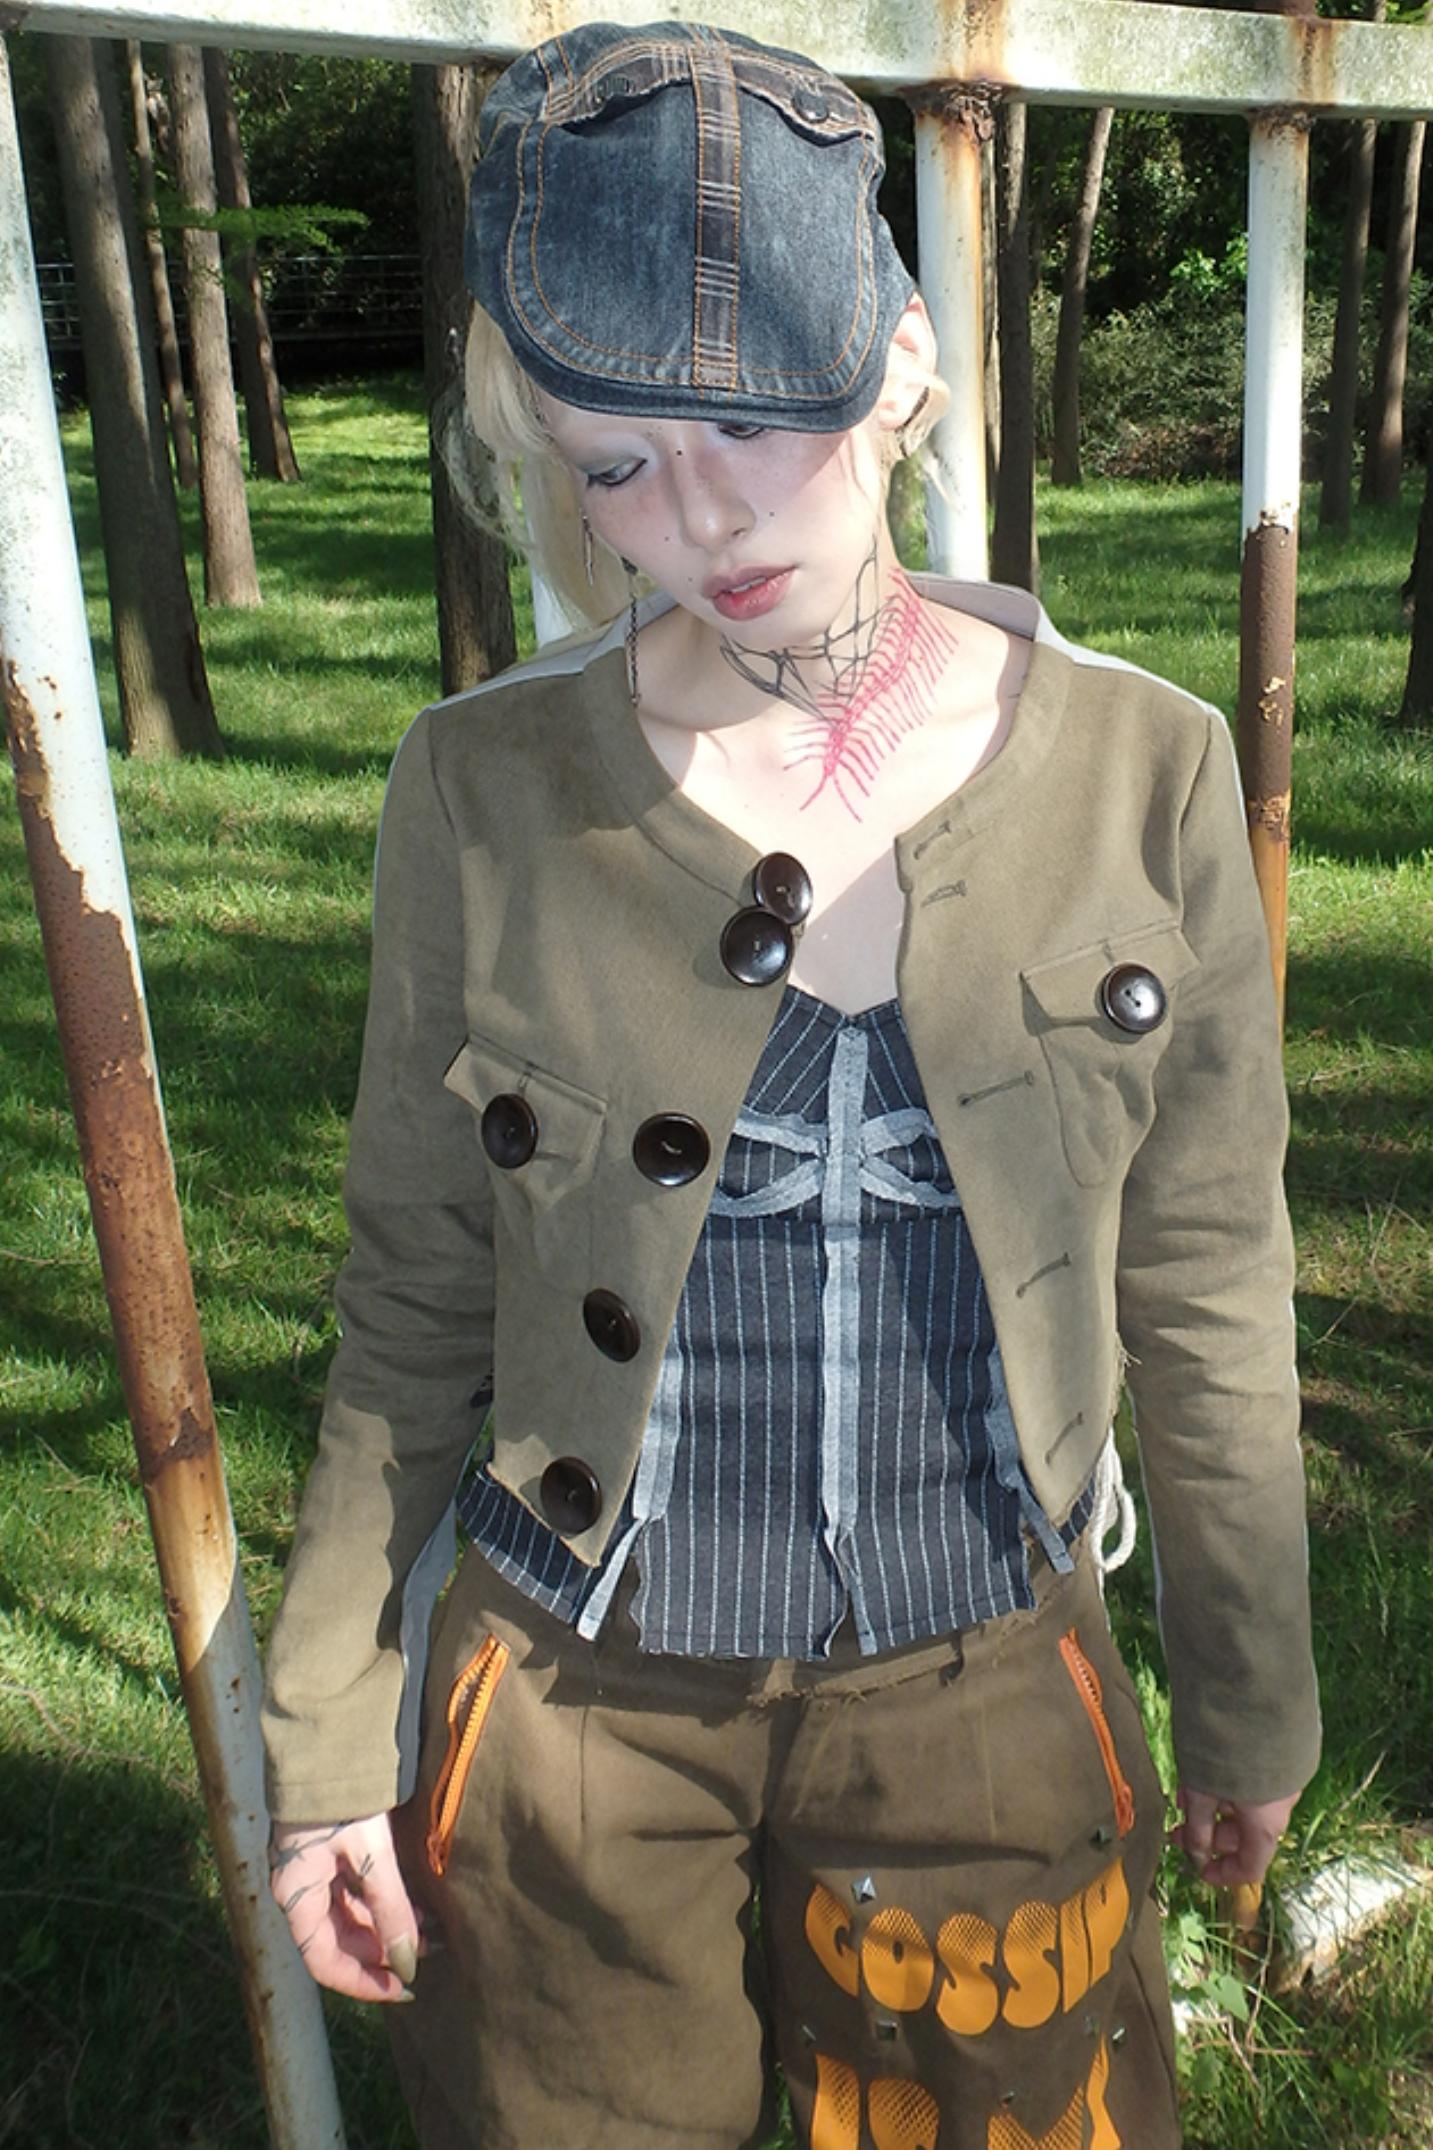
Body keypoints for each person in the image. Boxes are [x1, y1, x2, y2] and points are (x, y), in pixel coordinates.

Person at [262, 21, 1320, 2148]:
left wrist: (1249, 1690)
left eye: (753, 419)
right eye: (613, 463)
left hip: (987, 1685)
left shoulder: (1147, 773)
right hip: (568, 1705)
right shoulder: (481, 789)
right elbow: (412, 1294)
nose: (698, 514)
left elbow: (1208, 1276)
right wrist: (325, 1739)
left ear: (902, 364)